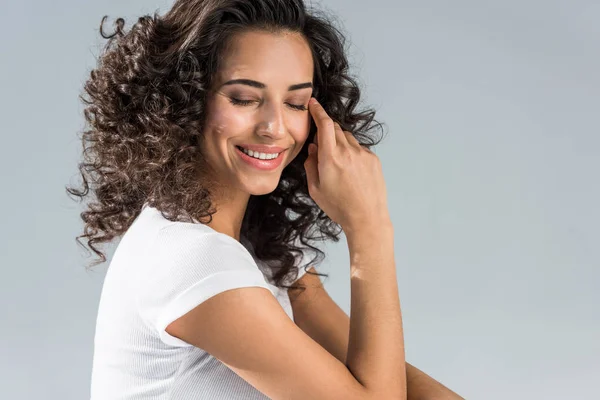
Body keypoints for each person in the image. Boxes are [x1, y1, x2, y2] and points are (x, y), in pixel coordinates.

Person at [67, 0, 463, 399]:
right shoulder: (193, 258)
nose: (275, 129)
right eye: (243, 98)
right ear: (183, 100)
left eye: (294, 103)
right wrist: (369, 227)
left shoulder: (256, 248)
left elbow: (388, 379)